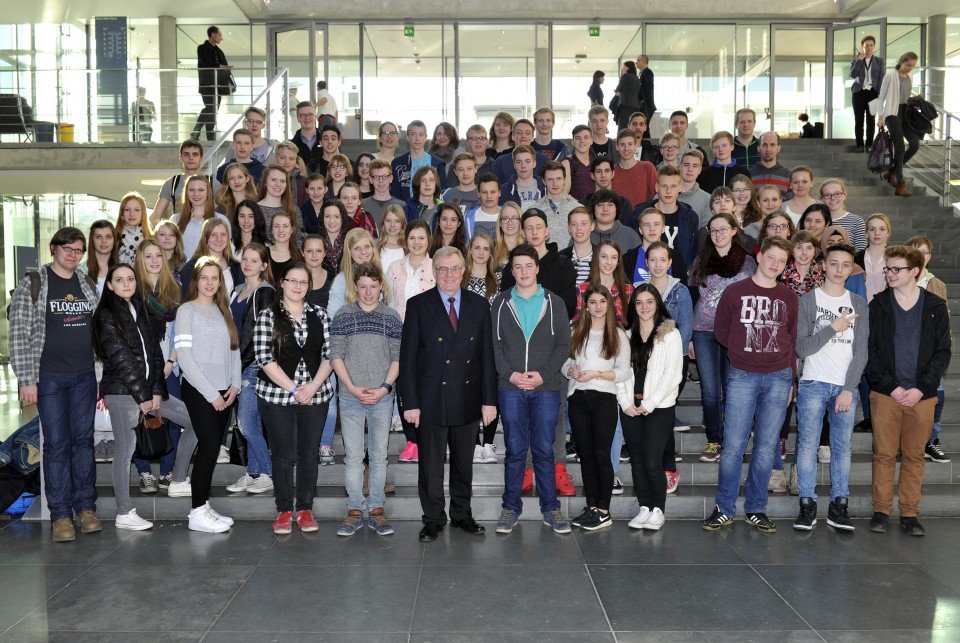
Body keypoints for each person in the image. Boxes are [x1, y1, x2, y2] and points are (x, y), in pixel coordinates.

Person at [399, 247, 498, 542]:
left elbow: (487, 358)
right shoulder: (418, 305)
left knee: (463, 463)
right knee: (430, 466)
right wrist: (410, 403)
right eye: (442, 269)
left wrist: (489, 400)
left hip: (467, 397)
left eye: (455, 268)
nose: (449, 275)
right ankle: (432, 519)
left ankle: (462, 514)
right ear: (434, 272)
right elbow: (408, 359)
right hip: (430, 399)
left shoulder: (479, 305)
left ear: (463, 270)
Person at [10, 227, 100, 542]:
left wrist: (101, 372)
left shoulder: (87, 283)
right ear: (54, 248)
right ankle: (61, 514)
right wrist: (26, 379)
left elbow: (98, 330)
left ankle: (86, 508)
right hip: (49, 377)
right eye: (68, 249)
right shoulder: (33, 283)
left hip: (85, 376)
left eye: (78, 250)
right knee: (58, 445)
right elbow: (19, 333)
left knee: (84, 442)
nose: (73, 255)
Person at [703, 237, 798, 534]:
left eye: (782, 261)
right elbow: (720, 331)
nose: (775, 264)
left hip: (779, 377)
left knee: (766, 447)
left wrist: (791, 379)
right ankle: (724, 508)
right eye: (771, 257)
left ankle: (756, 508)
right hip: (743, 375)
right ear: (759, 257)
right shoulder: (735, 292)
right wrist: (740, 353)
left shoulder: (789, 297)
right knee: (732, 447)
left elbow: (792, 339)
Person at [93, 264, 191, 531]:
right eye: (119, 280)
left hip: (149, 390)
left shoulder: (142, 310)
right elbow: (121, 359)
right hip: (123, 393)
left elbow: (156, 355)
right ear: (110, 285)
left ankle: (179, 479)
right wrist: (143, 396)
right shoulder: (105, 315)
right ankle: (124, 512)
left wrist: (157, 390)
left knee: (193, 421)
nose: (126, 283)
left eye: (130, 279)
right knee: (125, 452)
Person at [866, 245, 951, 536]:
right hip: (885, 394)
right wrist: (891, 386)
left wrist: (921, 388)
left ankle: (910, 514)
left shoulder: (935, 307)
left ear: (914, 271)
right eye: (887, 268)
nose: (889, 273)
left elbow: (943, 352)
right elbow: (871, 352)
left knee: (914, 456)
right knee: (884, 454)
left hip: (921, 396)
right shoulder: (878, 305)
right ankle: (881, 511)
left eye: (895, 269)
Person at [492, 244, 573, 535]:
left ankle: (551, 508)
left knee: (543, 449)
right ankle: (510, 508)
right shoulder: (501, 303)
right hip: (510, 388)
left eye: (528, 266)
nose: (523, 272)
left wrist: (543, 375)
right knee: (514, 450)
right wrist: (511, 375)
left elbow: (564, 345)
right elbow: (495, 347)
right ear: (511, 271)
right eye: (517, 267)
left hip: (547, 387)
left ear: (537, 268)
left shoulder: (555, 303)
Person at [793, 242, 869, 531]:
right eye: (833, 263)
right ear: (823, 264)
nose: (839, 270)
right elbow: (802, 348)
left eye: (845, 265)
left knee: (842, 447)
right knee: (808, 445)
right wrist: (832, 328)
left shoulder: (859, 303)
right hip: (813, 382)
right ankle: (807, 504)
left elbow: (861, 351)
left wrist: (849, 388)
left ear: (852, 269)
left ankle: (839, 506)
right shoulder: (809, 301)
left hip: (844, 387)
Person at [254, 262, 334, 535]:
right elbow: (264, 358)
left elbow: (330, 355)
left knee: (309, 454)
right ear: (282, 283)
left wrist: (312, 387)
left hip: (315, 395)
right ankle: (284, 510)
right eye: (293, 281)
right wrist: (293, 388)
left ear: (308, 286)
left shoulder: (321, 316)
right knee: (284, 456)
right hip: (276, 396)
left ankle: (306, 509)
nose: (298, 286)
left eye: (303, 282)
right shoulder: (267, 316)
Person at [329, 262, 403, 536]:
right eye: (363, 287)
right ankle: (354, 509)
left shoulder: (392, 317)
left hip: (382, 397)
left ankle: (376, 509)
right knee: (353, 457)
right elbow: (335, 355)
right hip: (350, 397)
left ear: (381, 286)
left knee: (379, 456)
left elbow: (398, 357)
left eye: (373, 286)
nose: (368, 292)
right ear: (355, 287)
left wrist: (384, 388)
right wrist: (351, 386)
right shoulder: (343, 315)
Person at [174, 256, 241, 533]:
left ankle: (203, 505)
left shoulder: (222, 309)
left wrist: (235, 385)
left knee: (212, 450)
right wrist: (212, 393)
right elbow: (185, 359)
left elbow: (234, 350)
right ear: (196, 280)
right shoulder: (186, 311)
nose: (210, 283)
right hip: (200, 390)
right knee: (210, 447)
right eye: (205, 278)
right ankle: (196, 512)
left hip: (225, 391)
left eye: (215, 278)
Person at [561, 283, 631, 531]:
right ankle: (592, 507)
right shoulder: (576, 331)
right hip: (578, 399)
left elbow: (623, 372)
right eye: (593, 302)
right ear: (586, 306)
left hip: (604, 400)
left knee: (602, 456)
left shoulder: (618, 335)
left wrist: (597, 374)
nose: (598, 306)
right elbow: (566, 363)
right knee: (586, 457)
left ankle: (604, 510)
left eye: (602, 301)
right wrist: (570, 370)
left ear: (609, 304)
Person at [689, 214, 757, 463]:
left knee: (732, 389)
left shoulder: (748, 263)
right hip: (703, 331)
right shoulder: (701, 260)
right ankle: (713, 440)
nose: (718, 234)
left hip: (734, 333)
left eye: (722, 229)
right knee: (709, 391)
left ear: (733, 231)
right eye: (713, 230)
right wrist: (689, 338)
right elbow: (693, 295)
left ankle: (732, 441)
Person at [618, 283, 683, 530]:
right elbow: (621, 373)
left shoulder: (670, 334)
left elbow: (673, 375)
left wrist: (649, 403)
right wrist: (625, 402)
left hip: (659, 408)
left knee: (652, 461)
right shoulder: (625, 334)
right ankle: (644, 506)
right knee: (636, 460)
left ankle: (658, 509)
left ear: (657, 304)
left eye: (649, 302)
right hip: (630, 409)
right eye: (639, 302)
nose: (644, 307)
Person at [131, 240, 184, 492]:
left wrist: (171, 361)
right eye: (148, 256)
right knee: (140, 419)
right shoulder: (132, 291)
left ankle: (167, 471)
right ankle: (144, 472)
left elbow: (182, 332)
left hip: (169, 366)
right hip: (139, 370)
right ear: (140, 261)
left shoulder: (174, 289)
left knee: (173, 420)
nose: (153, 261)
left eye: (158, 256)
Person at [225, 243, 276, 495]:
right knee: (251, 422)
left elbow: (261, 335)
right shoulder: (236, 290)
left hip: (253, 365)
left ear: (264, 265)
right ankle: (253, 473)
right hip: (237, 363)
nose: (247, 264)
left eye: (254, 260)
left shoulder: (265, 292)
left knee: (245, 424)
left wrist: (242, 364)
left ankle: (267, 472)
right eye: (245, 259)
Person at [904, 236, 951, 464]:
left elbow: (945, 322)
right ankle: (910, 441)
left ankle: (931, 440)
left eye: (923, 251)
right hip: (907, 352)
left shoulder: (937, 284)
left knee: (937, 397)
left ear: (929, 256)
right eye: (914, 251)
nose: (919, 255)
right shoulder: (898, 279)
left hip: (932, 352)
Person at [463, 231, 501, 462]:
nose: (481, 253)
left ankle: (488, 442)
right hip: (466, 345)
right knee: (469, 393)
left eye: (485, 249)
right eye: (477, 248)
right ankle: (474, 444)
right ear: (470, 250)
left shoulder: (498, 280)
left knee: (490, 392)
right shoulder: (461, 278)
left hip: (492, 343)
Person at [877, 51, 920, 197]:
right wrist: (880, 116)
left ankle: (892, 172)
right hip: (892, 114)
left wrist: (914, 104)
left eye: (913, 66)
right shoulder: (890, 76)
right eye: (908, 64)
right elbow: (881, 97)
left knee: (915, 144)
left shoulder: (910, 78)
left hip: (905, 114)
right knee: (900, 147)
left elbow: (905, 97)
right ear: (901, 61)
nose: (910, 68)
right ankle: (900, 184)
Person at [149, 139, 220, 224]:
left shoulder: (212, 183)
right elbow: (156, 216)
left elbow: (220, 214)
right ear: (180, 157)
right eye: (186, 154)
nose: (191, 158)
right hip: (180, 234)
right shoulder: (172, 184)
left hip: (205, 234)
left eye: (195, 154)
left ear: (201, 158)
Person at [170, 174, 232, 259]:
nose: (196, 194)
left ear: (208, 192)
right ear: (186, 193)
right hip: (183, 271)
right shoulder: (175, 220)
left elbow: (228, 252)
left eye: (201, 190)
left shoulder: (221, 220)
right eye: (192, 190)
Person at [191, 26, 232, 142]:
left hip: (218, 85)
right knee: (210, 107)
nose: (221, 38)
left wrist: (225, 67)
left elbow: (224, 64)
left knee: (214, 111)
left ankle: (210, 135)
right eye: (219, 35)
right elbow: (205, 63)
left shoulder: (219, 51)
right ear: (213, 35)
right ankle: (196, 130)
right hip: (207, 84)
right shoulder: (202, 48)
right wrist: (219, 66)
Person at [391, 120, 446, 200]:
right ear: (407, 137)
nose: (417, 138)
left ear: (426, 137)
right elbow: (395, 195)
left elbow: (442, 195)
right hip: (404, 210)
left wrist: (436, 211)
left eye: (421, 134)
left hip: (430, 210)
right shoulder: (397, 163)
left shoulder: (437, 164)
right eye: (413, 134)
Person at [850, 35, 883, 152]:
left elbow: (881, 78)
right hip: (858, 93)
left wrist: (880, 93)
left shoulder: (879, 61)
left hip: (872, 93)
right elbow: (853, 75)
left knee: (871, 120)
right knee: (858, 120)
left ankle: (869, 145)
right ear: (862, 47)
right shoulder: (856, 60)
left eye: (871, 45)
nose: (868, 48)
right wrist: (859, 60)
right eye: (866, 46)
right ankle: (859, 145)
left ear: (874, 46)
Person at [820, 179, 865, 251]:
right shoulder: (818, 222)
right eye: (827, 195)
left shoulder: (857, 221)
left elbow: (861, 252)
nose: (833, 198)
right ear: (822, 198)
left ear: (845, 195)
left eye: (837, 194)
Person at [749, 132, 792, 198]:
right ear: (758, 148)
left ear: (778, 148)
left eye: (772, 145)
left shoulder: (788, 175)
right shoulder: (749, 174)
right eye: (764, 145)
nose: (768, 149)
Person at [82, 220, 118, 296]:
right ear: (92, 240)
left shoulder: (124, 269)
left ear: (114, 240)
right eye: (98, 237)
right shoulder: (80, 271)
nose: (104, 241)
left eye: (108, 237)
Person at [292, 101, 324, 172]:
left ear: (315, 117)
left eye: (310, 114)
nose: (307, 118)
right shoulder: (292, 145)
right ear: (298, 118)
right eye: (303, 115)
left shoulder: (326, 141)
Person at [613, 61, 643, 130]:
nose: (622, 69)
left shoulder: (626, 76)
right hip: (636, 107)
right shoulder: (636, 78)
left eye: (624, 67)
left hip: (626, 105)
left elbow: (618, 89)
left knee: (623, 127)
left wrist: (622, 75)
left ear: (628, 68)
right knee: (632, 126)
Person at [635, 54, 656, 134]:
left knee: (644, 127)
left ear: (644, 61)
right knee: (643, 127)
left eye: (638, 60)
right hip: (644, 104)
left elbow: (648, 88)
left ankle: (647, 145)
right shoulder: (642, 73)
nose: (636, 63)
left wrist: (643, 100)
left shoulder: (647, 72)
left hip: (646, 105)